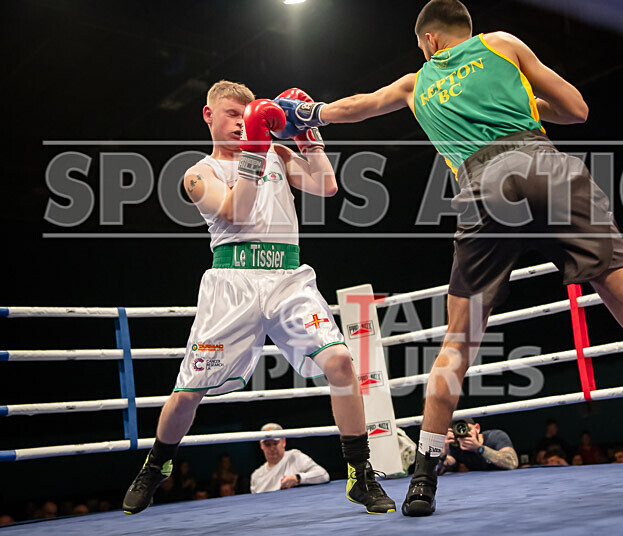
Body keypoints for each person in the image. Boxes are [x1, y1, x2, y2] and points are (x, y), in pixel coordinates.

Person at [277, 0, 623, 515]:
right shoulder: (501, 43)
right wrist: (523, 103)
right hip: (547, 167)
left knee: (459, 340)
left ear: (429, 41)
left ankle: (423, 481)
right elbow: (576, 109)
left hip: (481, 185)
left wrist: (305, 114)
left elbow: (356, 106)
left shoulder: (414, 83)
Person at [122, 81, 395, 516]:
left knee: (341, 362)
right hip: (232, 285)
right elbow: (236, 212)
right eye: (231, 113)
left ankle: (360, 475)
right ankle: (156, 465)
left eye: (244, 114)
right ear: (209, 115)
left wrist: (307, 135)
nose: (239, 122)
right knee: (189, 390)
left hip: (288, 278)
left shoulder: (277, 154)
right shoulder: (198, 173)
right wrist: (253, 149)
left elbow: (326, 185)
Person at [250, 423, 330, 493]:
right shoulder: (256, 476)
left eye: (275, 443)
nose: (272, 448)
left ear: (283, 442)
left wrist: (297, 478)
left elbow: (323, 475)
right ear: (261, 446)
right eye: (268, 444)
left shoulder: (294, 457)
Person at [439, 418, 518, 472]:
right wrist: (442, 454)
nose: (463, 434)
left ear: (477, 428)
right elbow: (440, 470)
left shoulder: (495, 436)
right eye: (458, 431)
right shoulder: (456, 445)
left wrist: (479, 448)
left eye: (467, 429)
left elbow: (512, 463)